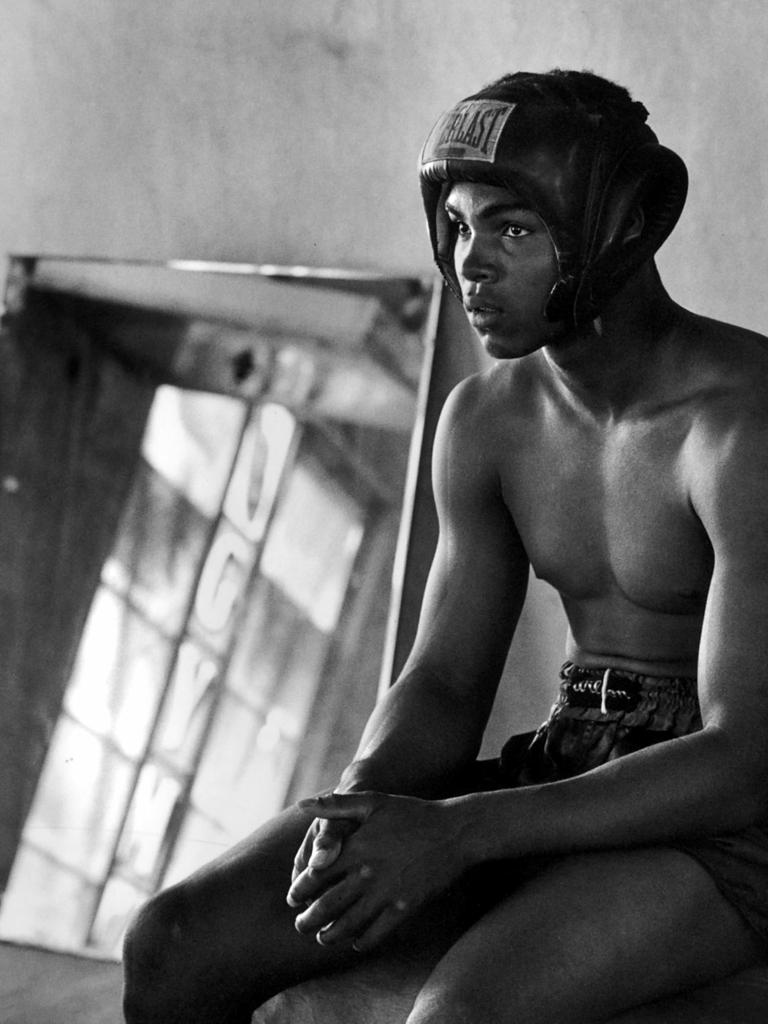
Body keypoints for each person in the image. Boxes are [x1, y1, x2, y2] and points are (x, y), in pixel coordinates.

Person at [122, 68, 768, 1024]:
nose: (472, 262)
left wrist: (459, 834)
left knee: (459, 1016)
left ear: (618, 226)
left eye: (512, 229)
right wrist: (362, 807)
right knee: (175, 942)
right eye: (459, 227)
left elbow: (745, 756)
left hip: (728, 829)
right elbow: (444, 684)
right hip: (563, 767)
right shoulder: (487, 421)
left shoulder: (741, 424)